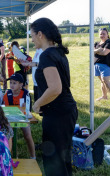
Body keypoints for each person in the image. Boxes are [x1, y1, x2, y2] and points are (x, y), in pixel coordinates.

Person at [31, 18, 78, 176]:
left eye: (32, 35)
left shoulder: (47, 55)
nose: (31, 40)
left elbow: (55, 88)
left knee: (54, 162)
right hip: (65, 111)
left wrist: (37, 103)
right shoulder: (56, 52)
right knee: (63, 159)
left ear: (40, 34)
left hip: (58, 114)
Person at [3, 73, 36, 159]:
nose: (12, 85)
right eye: (11, 83)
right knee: (9, 136)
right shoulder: (7, 95)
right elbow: (7, 110)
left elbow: (29, 110)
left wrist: (26, 107)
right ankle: (11, 156)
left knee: (28, 135)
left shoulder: (26, 94)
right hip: (10, 119)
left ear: (21, 84)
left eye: (14, 83)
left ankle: (33, 156)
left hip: (23, 118)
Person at [94, 28, 110, 104]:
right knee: (102, 81)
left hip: (107, 65)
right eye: (101, 34)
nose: (102, 35)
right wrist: (98, 50)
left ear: (107, 34)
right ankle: (104, 96)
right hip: (97, 64)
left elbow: (104, 53)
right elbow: (91, 51)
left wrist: (96, 51)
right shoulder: (96, 43)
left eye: (104, 33)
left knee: (105, 81)